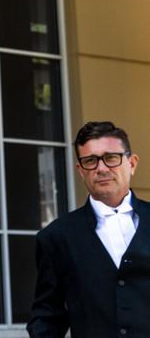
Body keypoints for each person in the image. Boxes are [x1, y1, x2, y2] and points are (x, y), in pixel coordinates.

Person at [28, 121, 150, 338]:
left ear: (132, 163)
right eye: (90, 161)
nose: (101, 168)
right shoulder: (56, 237)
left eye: (111, 157)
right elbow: (47, 317)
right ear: (81, 170)